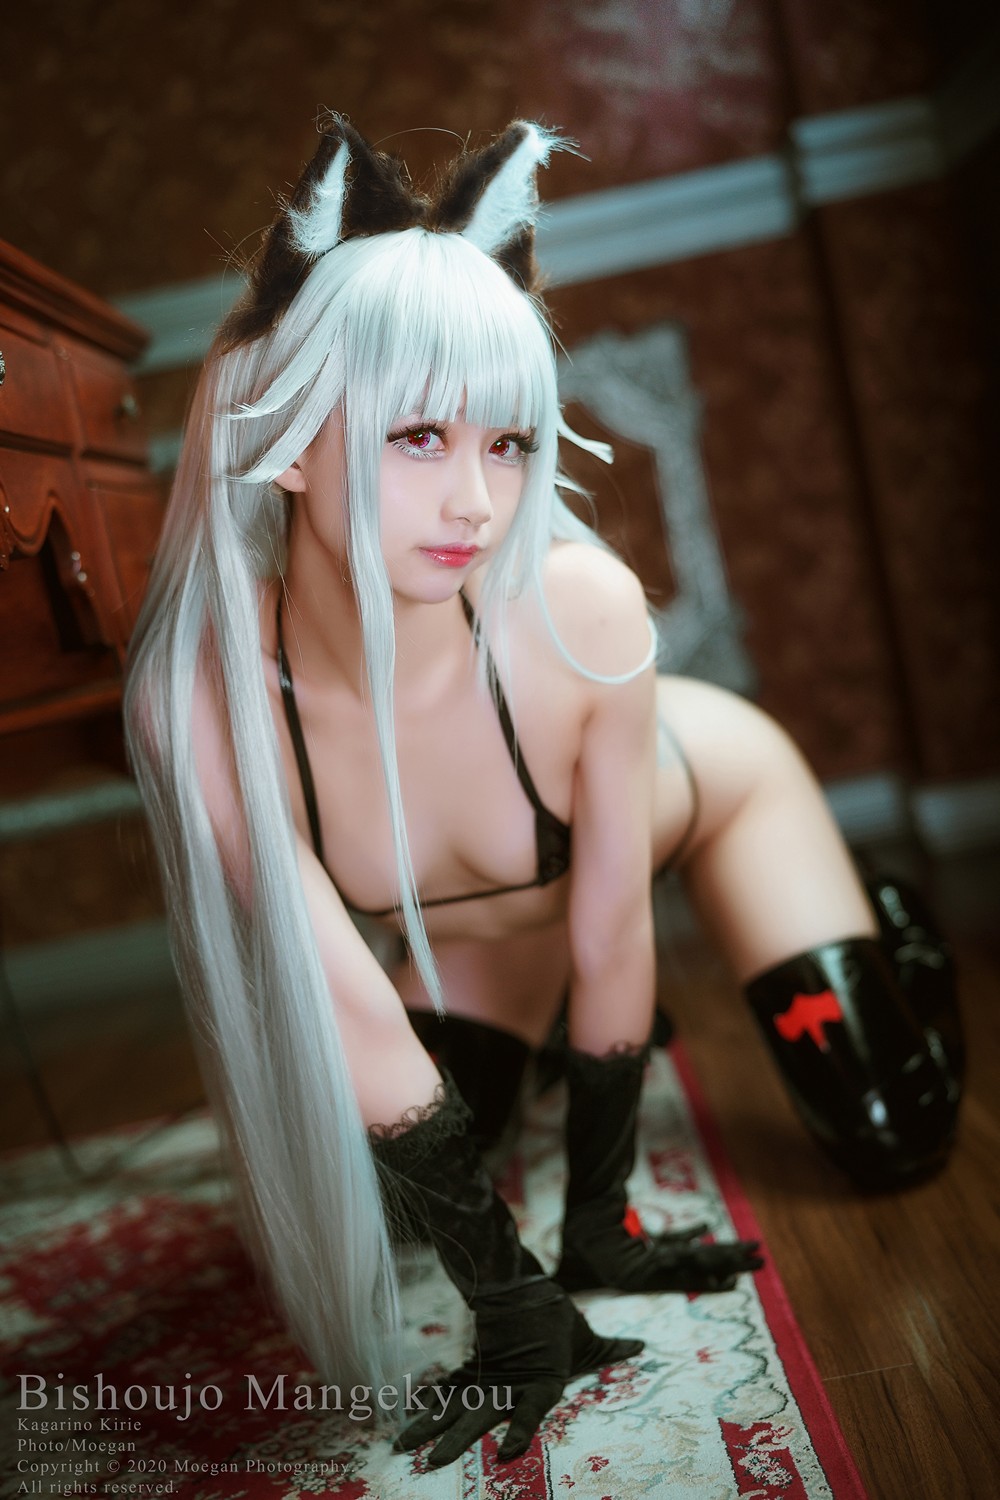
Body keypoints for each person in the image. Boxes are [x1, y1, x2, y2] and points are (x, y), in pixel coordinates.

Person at [124, 115, 961, 1467]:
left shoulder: (584, 606)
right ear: (289, 441)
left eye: (509, 443)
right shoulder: (203, 701)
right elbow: (346, 1001)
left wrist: (600, 1229)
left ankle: (889, 931)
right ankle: (550, 1042)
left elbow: (613, 921)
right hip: (488, 936)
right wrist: (517, 1307)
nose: (476, 501)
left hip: (710, 804)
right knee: (403, 1210)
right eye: (418, 435)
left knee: (888, 1131)